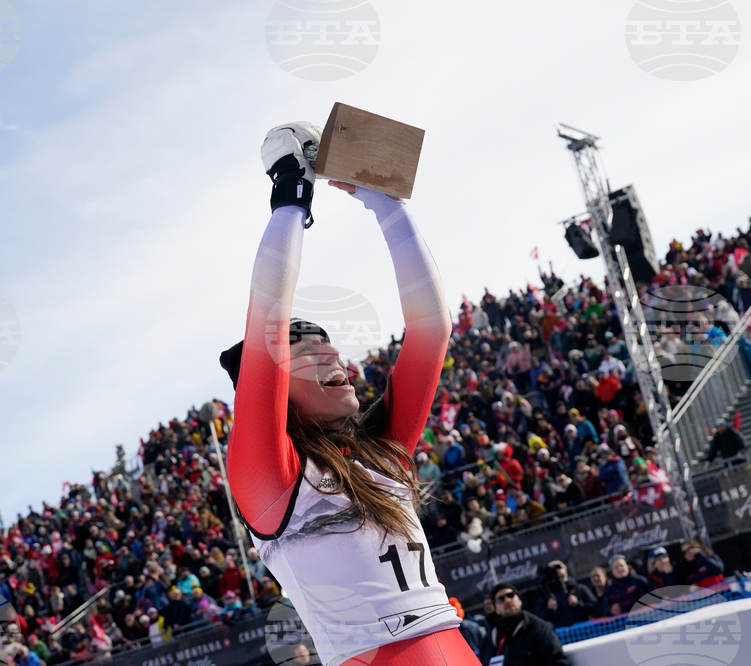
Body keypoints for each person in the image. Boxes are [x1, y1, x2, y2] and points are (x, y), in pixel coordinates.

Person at [221, 122, 477, 665]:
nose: (335, 355)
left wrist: (386, 203)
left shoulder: (382, 452)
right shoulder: (270, 478)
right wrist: (290, 196)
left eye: (332, 345)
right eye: (309, 351)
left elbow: (432, 329)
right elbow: (267, 319)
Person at [477, 583, 571, 666]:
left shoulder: (539, 629)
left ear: (520, 600)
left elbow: (559, 662)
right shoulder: (489, 640)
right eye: (500, 599)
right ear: (496, 609)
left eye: (510, 595)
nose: (507, 600)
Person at [536, 561, 598, 628]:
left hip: (583, 629)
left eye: (558, 568)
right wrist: (549, 609)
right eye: (553, 570)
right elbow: (539, 618)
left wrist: (578, 604)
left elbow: (595, 607)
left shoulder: (579, 588)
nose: (556, 571)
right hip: (561, 632)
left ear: (566, 572)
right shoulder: (547, 595)